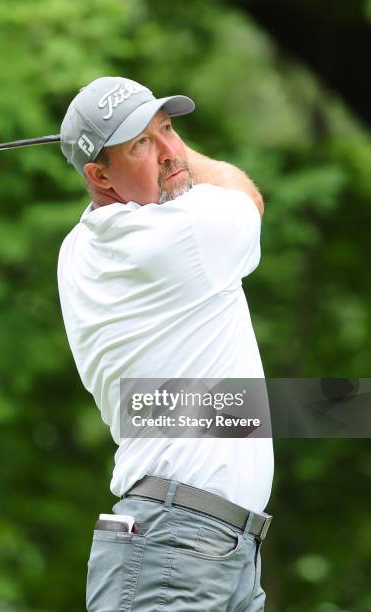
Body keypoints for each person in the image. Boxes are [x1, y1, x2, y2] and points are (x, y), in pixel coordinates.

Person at [57, 76, 274, 611]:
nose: (168, 152)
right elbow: (246, 194)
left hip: (203, 545)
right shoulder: (183, 238)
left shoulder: (77, 248)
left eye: (169, 130)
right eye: (141, 144)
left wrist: (152, 147)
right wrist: (180, 159)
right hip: (176, 548)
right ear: (99, 175)